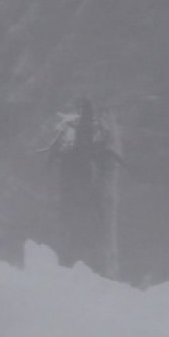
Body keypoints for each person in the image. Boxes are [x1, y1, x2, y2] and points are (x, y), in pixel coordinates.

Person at [47, 98, 123, 275]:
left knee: (80, 233)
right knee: (82, 233)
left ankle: (80, 269)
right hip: (82, 196)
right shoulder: (81, 147)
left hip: (81, 196)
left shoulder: (75, 146)